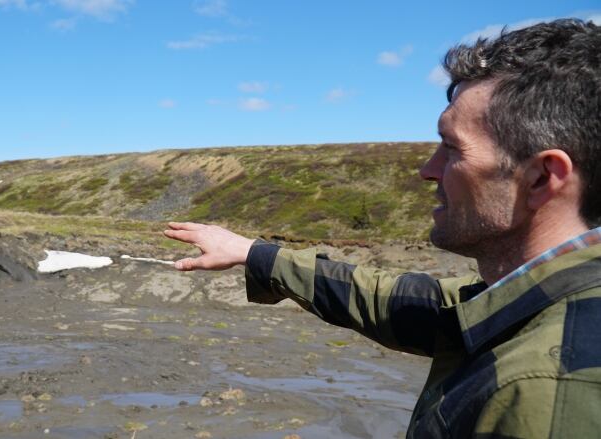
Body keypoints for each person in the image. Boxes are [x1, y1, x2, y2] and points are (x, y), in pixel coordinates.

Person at [164, 19, 600, 438]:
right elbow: (404, 302)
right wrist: (254, 253)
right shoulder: (535, 296)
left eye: (451, 149)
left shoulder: (549, 390)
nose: (428, 171)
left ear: (541, 177)